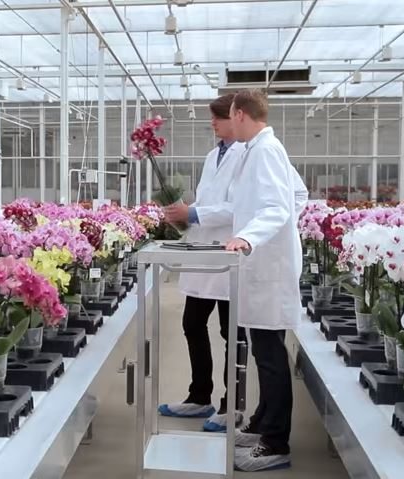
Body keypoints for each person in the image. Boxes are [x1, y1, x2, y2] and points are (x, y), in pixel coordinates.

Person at [224, 89, 308, 472]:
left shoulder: (267, 150)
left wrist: (248, 237)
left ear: (239, 114)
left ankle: (275, 443)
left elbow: (277, 206)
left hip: (269, 270)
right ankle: (261, 424)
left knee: (271, 357)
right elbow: (296, 196)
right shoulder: (256, 150)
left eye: (228, 116)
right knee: (263, 351)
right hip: (261, 266)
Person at [160, 94, 248, 433]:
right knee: (192, 323)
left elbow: (238, 207)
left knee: (231, 332)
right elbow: (210, 200)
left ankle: (231, 407)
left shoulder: (245, 155)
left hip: (228, 255)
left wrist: (194, 212)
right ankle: (200, 397)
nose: (212, 123)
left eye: (217, 118)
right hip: (202, 252)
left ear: (235, 117)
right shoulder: (214, 155)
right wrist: (183, 215)